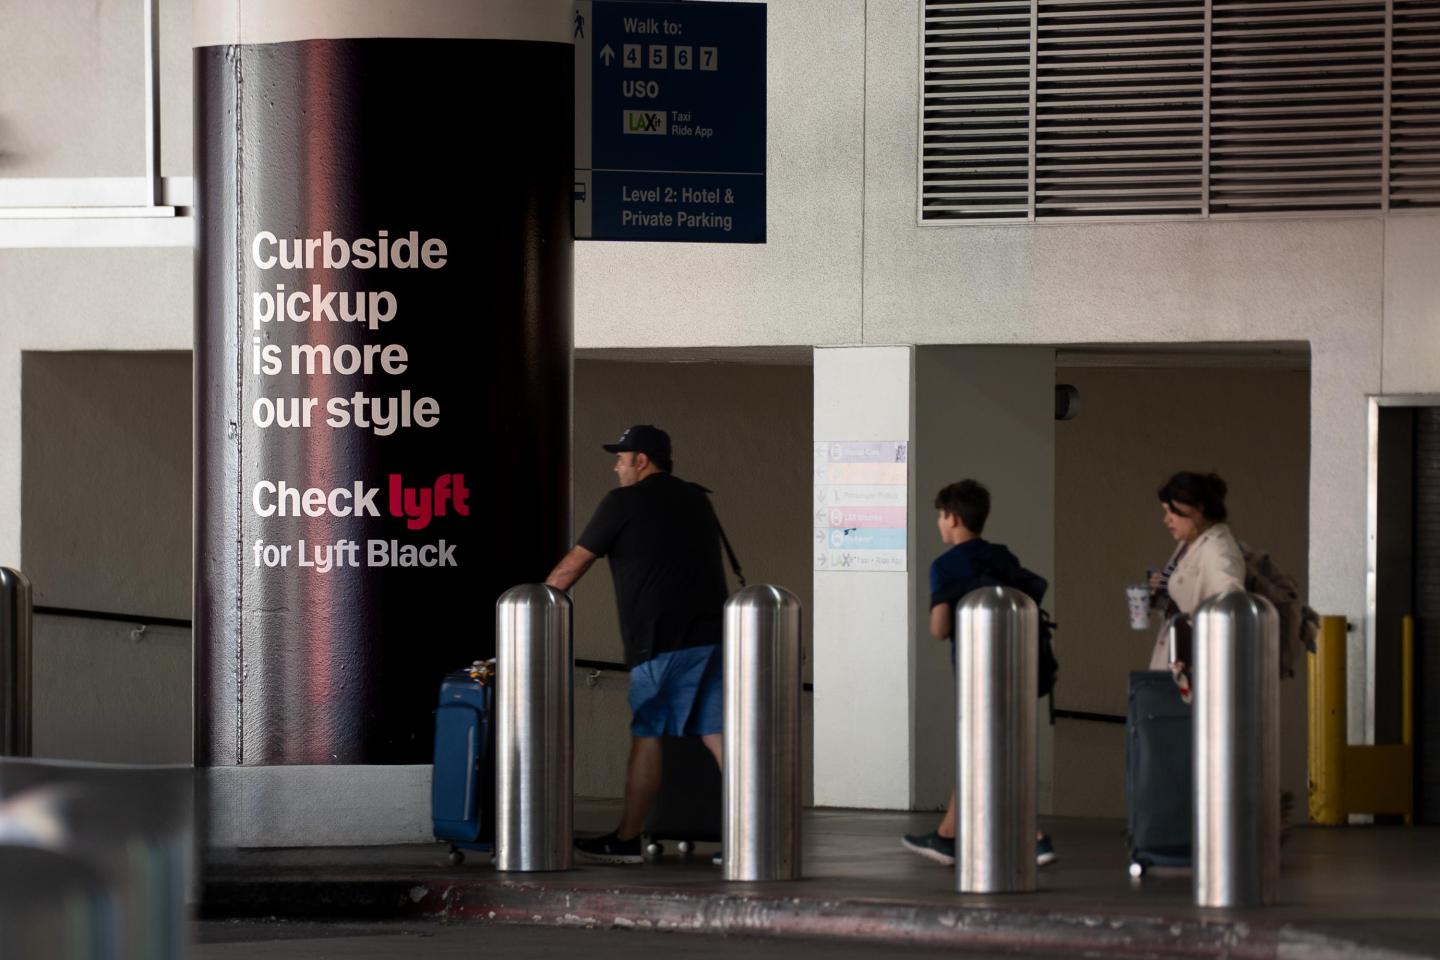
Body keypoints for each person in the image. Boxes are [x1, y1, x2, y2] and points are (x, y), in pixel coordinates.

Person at [546, 424, 728, 864]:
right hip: (716, 639)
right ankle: (753, 833)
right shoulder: (696, 499)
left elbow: (574, 564)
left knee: (648, 735)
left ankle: (628, 838)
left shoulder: (622, 502)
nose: (616, 465)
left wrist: (533, 605)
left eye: (621, 458)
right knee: (719, 736)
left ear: (641, 460)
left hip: (660, 647)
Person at [900, 480, 1057, 868]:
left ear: (952, 517)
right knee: (986, 748)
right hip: (1017, 665)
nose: (939, 523)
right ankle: (947, 837)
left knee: (985, 749)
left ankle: (1034, 839)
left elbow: (939, 628)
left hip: (977, 673)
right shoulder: (1003, 556)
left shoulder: (946, 564)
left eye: (940, 516)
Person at [1146, 472, 1245, 694]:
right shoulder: (1190, 541)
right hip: (1179, 663)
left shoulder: (1217, 549)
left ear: (1198, 509)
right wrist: (1163, 587)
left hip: (1196, 673)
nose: (1167, 519)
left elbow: (1233, 602)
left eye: (1173, 511)